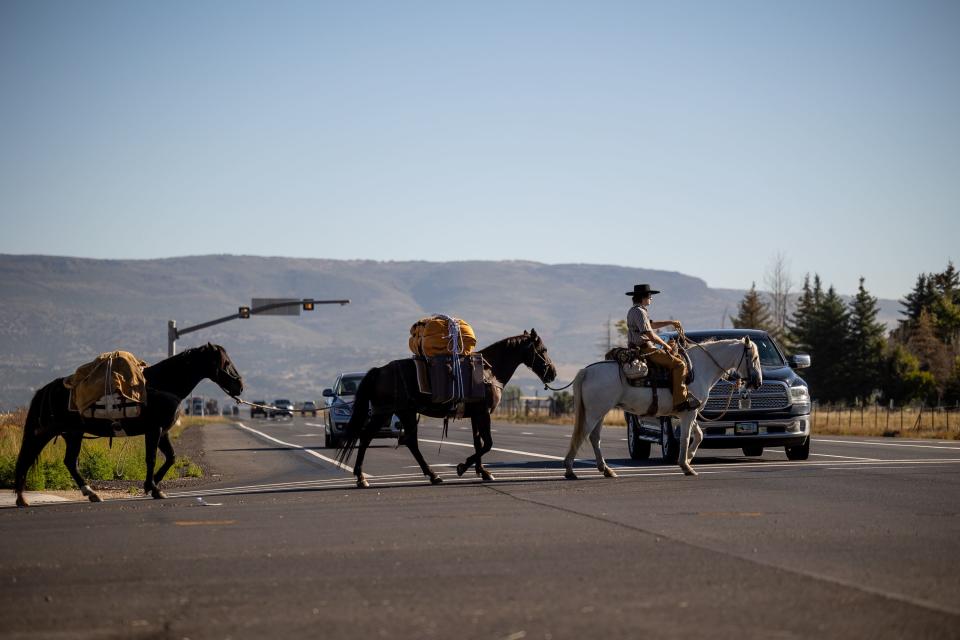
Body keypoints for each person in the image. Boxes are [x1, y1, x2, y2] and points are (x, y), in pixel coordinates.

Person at [625, 284, 700, 412]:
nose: (651, 299)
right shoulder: (640, 311)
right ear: (643, 297)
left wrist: (670, 323)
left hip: (640, 347)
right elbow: (649, 333)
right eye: (649, 296)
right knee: (679, 364)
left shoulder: (635, 311)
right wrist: (665, 345)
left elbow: (651, 325)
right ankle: (680, 401)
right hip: (645, 348)